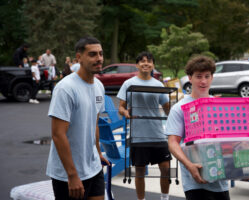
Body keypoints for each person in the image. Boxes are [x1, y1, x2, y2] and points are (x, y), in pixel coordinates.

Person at [46, 36, 109, 200]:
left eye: (101, 54)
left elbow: (94, 123)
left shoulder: (99, 86)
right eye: (93, 54)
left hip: (93, 167)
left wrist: (97, 152)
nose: (99, 58)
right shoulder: (66, 88)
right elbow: (58, 134)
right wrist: (72, 175)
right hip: (68, 173)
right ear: (79, 57)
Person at [165, 56, 230, 200]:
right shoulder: (179, 108)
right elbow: (173, 142)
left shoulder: (219, 107)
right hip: (195, 182)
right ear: (189, 77)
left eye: (207, 76)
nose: (203, 81)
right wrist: (189, 165)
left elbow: (228, 139)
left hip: (220, 179)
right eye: (198, 76)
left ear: (212, 77)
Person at [117, 51, 171, 200]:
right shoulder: (128, 84)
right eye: (142, 61)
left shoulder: (158, 84)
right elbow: (121, 107)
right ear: (137, 65)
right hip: (138, 135)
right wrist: (125, 113)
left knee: (166, 168)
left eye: (149, 61)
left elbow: (167, 108)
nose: (145, 63)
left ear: (153, 65)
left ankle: (164, 198)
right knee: (140, 171)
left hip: (158, 134)